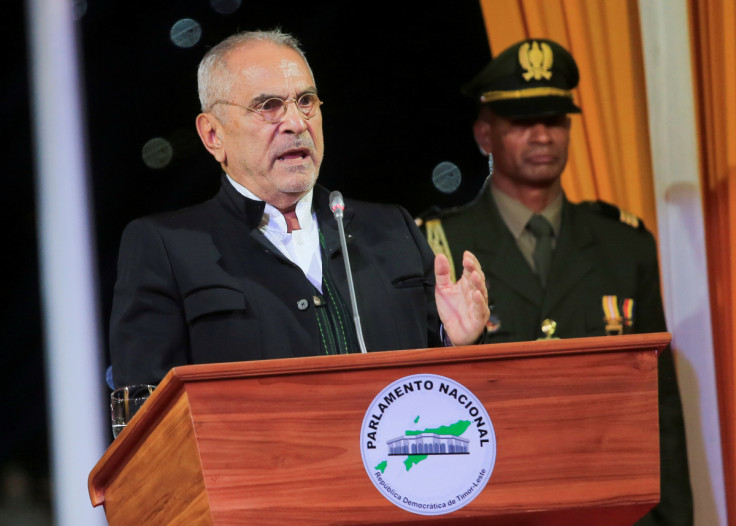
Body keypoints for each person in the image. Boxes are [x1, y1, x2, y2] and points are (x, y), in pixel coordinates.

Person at [109, 29, 490, 388]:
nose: (296, 122)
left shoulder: (392, 229)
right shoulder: (167, 246)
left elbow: (444, 395)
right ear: (213, 134)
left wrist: (455, 343)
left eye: (306, 101)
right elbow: (150, 416)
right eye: (268, 106)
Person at [422, 39, 692, 525]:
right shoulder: (438, 247)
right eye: (523, 123)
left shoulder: (624, 243)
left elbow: (659, 404)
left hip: (615, 508)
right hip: (498, 507)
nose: (542, 135)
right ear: (485, 135)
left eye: (555, 120)